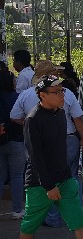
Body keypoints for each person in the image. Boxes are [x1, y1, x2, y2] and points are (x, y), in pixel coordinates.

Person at [10, 60, 83, 228]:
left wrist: (29, 127)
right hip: (67, 140)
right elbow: (78, 118)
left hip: (39, 143)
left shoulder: (26, 95)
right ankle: (75, 214)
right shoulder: (65, 93)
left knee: (46, 180)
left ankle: (52, 218)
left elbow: (14, 116)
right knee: (71, 178)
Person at [0, 67, 25, 220]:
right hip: (16, 140)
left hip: (1, 142)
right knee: (17, 176)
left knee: (0, 176)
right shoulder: (17, 98)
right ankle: (17, 209)